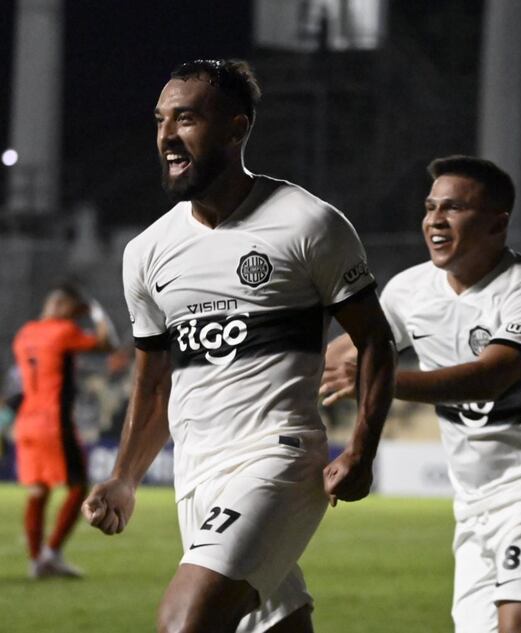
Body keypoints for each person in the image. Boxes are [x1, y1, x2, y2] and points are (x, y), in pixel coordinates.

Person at [81, 58, 395, 633]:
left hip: (276, 457)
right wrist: (125, 474)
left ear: (237, 128)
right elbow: (155, 381)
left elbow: (374, 342)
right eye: (159, 121)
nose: (168, 136)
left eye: (187, 119)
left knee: (185, 621)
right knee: (277, 626)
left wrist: (361, 451)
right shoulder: (148, 252)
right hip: (196, 472)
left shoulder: (307, 224)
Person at [322, 156, 521, 633]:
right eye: (430, 207)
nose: (435, 220)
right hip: (472, 505)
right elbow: (346, 352)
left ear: (497, 222)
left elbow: (491, 376)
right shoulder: (410, 289)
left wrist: (376, 377)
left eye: (453, 208)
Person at [12, 283, 115, 578]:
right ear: (60, 306)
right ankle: (52, 553)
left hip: (27, 421)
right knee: (80, 486)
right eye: (72, 309)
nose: (74, 316)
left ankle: (37, 561)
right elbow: (107, 343)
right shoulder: (62, 330)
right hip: (52, 422)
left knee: (38, 490)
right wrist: (95, 311)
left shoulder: (25, 333)